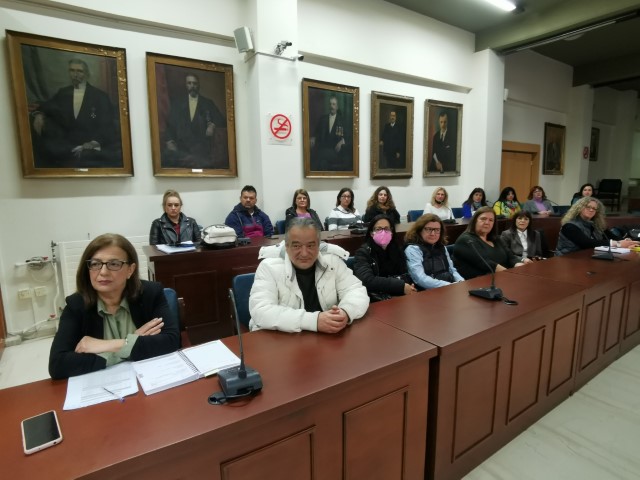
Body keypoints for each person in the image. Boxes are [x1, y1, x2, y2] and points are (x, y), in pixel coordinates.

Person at [49, 234, 180, 379]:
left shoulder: (151, 293)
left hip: (148, 377)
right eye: (95, 264)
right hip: (102, 384)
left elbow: (172, 341)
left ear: (130, 270)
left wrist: (112, 345)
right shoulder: (76, 305)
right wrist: (132, 344)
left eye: (114, 264)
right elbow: (57, 365)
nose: (103, 272)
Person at [249, 218, 369, 333]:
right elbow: (261, 310)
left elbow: (355, 290)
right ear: (287, 246)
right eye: (296, 246)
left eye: (310, 245)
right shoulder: (269, 267)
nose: (304, 253)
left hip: (327, 337)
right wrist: (314, 321)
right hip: (283, 339)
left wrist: (345, 312)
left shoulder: (332, 261)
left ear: (318, 245)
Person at [31, 58, 121, 168]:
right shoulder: (63, 93)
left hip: (90, 146)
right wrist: (39, 114)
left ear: (86, 74)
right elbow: (48, 106)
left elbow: (107, 126)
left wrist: (94, 143)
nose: (75, 74)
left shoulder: (100, 96)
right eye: (72, 70)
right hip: (66, 146)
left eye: (79, 71)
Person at [163, 73, 227, 169]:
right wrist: (169, 141)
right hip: (181, 148)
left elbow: (221, 119)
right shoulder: (177, 103)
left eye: (194, 83)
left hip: (201, 148)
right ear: (186, 85)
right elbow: (169, 125)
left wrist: (212, 125)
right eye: (189, 83)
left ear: (198, 85)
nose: (192, 86)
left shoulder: (207, 103)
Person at [353, 214, 416, 301]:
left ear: (392, 232)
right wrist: (400, 286)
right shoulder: (363, 253)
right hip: (377, 299)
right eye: (378, 229)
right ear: (371, 233)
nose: (383, 232)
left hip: (400, 296)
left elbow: (406, 273)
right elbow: (367, 280)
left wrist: (408, 286)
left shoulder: (397, 249)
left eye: (386, 229)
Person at [453, 207, 527, 279]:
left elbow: (510, 257)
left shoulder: (496, 239)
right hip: (479, 282)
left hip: (502, 277)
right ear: (474, 221)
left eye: (491, 220)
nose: (487, 223)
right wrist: (512, 275)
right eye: (483, 219)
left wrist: (519, 266)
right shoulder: (466, 240)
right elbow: (487, 263)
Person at [556, 197, 639, 256]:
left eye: (594, 208)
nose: (591, 210)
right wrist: (618, 244)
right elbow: (586, 243)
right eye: (588, 207)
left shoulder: (596, 224)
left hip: (588, 257)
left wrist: (627, 242)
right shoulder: (570, 226)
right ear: (579, 208)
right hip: (567, 258)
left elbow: (612, 237)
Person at [404, 213, 464, 289]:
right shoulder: (413, 249)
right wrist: (448, 285)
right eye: (428, 229)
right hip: (427, 290)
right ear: (419, 230)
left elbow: (452, 270)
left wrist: (461, 281)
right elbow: (420, 278)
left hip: (448, 286)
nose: (433, 234)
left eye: (437, 230)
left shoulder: (442, 247)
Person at [309, 94, 352, 172]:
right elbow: (317, 132)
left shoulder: (342, 120)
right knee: (323, 164)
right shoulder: (323, 119)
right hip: (324, 148)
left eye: (334, 104)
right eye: (330, 104)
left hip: (336, 152)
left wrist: (342, 141)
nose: (331, 106)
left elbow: (349, 136)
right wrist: (313, 137)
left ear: (337, 107)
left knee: (318, 156)